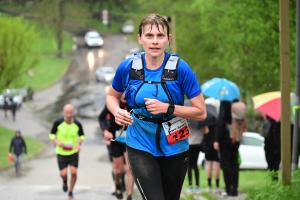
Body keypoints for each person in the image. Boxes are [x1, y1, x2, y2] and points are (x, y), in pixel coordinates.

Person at [106, 13, 207, 200]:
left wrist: (168, 108)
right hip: (140, 142)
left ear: (168, 39)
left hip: (175, 144)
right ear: (140, 39)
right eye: (149, 36)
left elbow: (201, 112)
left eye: (160, 36)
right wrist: (117, 111)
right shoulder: (127, 67)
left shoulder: (180, 69)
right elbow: (112, 95)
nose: (155, 41)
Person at [98, 95, 134, 200]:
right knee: (118, 170)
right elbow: (101, 118)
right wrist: (105, 131)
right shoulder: (112, 104)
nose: (123, 95)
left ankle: (129, 195)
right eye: (121, 93)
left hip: (128, 140)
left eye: (125, 93)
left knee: (129, 168)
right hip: (115, 139)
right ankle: (118, 184)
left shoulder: (131, 103)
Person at [49, 104, 85, 200]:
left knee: (74, 172)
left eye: (70, 113)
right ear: (63, 113)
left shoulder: (77, 124)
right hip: (61, 152)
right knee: (64, 173)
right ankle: (64, 181)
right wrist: (57, 142)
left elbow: (82, 136)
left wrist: (79, 143)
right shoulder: (58, 123)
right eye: (67, 113)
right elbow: (51, 134)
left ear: (73, 113)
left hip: (73, 152)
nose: (69, 115)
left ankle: (70, 191)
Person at [214, 101, 239, 197]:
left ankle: (228, 189)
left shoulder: (224, 103)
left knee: (226, 165)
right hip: (235, 137)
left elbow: (220, 122)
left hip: (225, 139)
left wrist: (217, 140)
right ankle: (235, 190)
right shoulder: (236, 102)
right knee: (234, 164)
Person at [186, 124, 205, 194]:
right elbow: (205, 131)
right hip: (198, 143)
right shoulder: (200, 123)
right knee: (195, 165)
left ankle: (190, 185)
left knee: (189, 165)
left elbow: (187, 132)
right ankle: (197, 185)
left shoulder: (189, 122)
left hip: (190, 143)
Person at [202, 124, 220, 192]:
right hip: (216, 144)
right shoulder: (217, 121)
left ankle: (209, 185)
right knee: (217, 164)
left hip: (208, 144)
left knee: (209, 164)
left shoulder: (206, 122)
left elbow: (205, 132)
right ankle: (217, 185)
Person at [263, 115, 281, 181]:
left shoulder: (268, 123)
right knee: (276, 167)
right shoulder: (279, 124)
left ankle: (272, 182)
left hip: (271, 149)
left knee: (270, 167)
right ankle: (275, 180)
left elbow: (267, 136)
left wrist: (266, 147)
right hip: (278, 149)